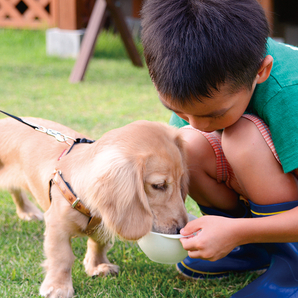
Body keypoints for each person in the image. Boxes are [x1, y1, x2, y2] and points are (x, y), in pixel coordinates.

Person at [141, 0, 298, 297]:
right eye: (181, 111)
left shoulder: (291, 93)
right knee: (185, 146)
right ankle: (250, 252)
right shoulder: (194, 83)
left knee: (242, 137)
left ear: (261, 71)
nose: (198, 124)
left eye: (213, 114)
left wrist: (239, 230)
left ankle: (292, 267)